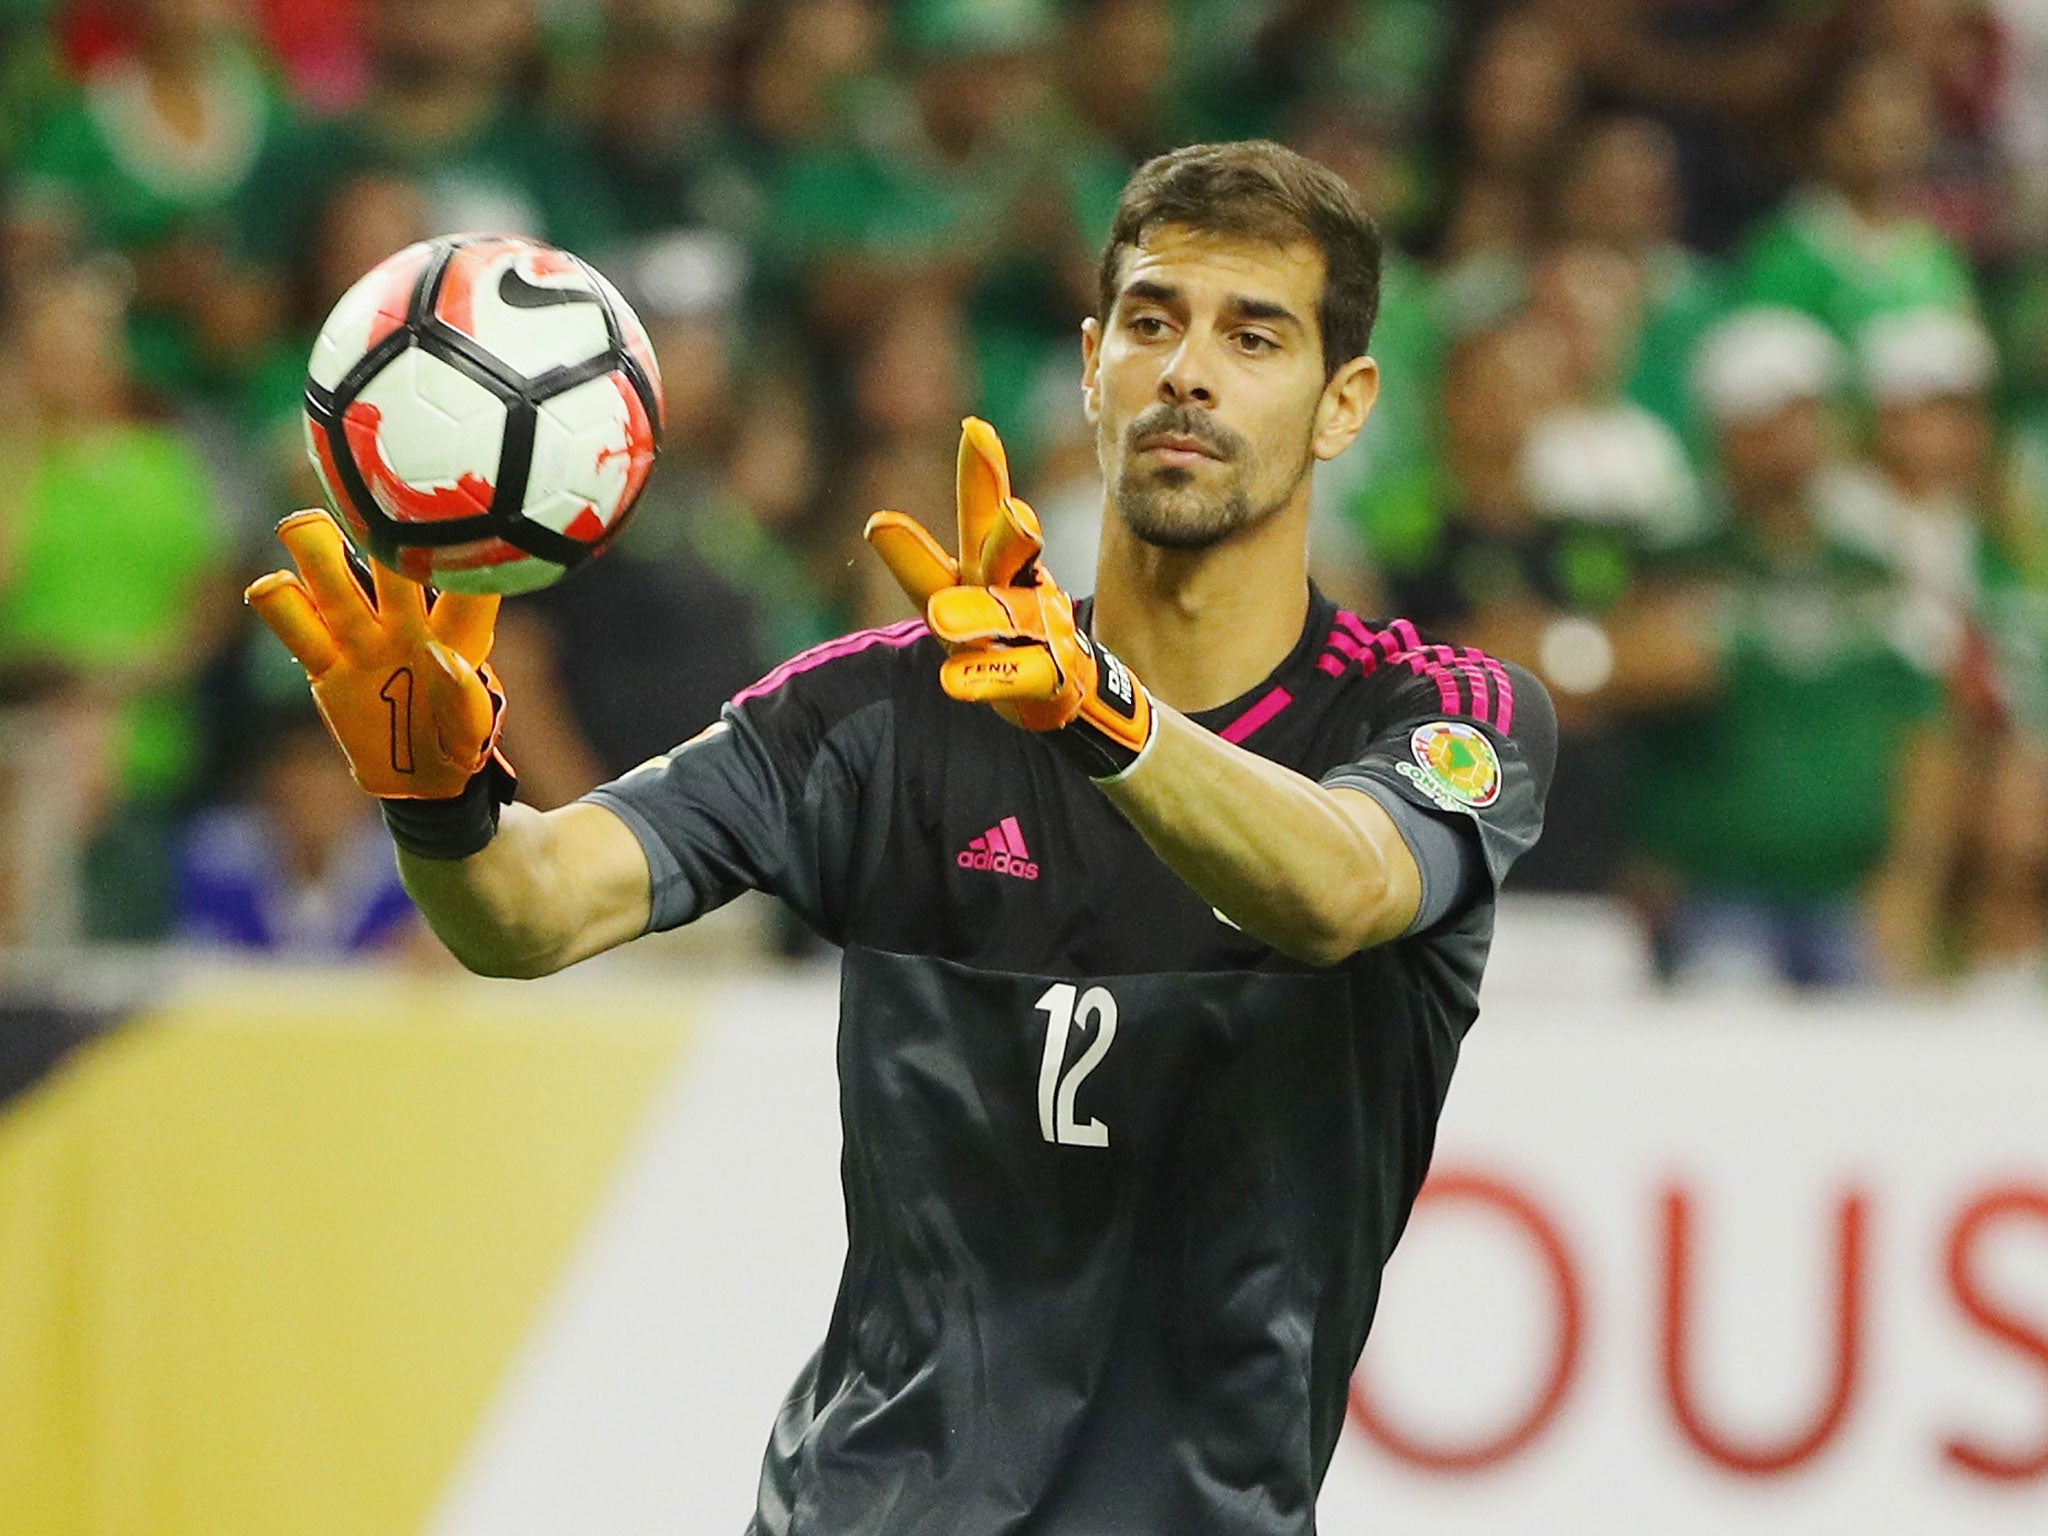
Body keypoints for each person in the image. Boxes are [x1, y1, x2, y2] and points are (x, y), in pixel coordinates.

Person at [247, 141, 1555, 1533]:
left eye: (1254, 336)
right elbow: (533, 910)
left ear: (1344, 401)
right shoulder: (884, 713)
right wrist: (442, 801)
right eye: (1155, 322)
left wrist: (1100, 719)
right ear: (1092, 359)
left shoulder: (1436, 712)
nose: (1189, 371)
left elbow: (1339, 890)